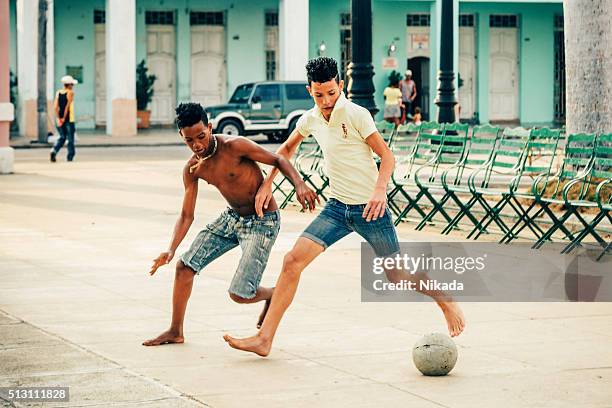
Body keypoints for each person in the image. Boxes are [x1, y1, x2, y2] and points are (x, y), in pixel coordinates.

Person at [223, 57, 465, 357]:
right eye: (319, 94)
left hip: (370, 210)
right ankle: (264, 339)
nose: (326, 101)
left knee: (397, 275)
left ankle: (443, 299)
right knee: (292, 261)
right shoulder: (310, 118)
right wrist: (268, 182)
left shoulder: (356, 114)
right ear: (309, 89)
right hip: (337, 209)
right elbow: (285, 149)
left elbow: (388, 157)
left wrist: (379, 191)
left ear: (341, 85)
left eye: (331, 93)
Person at [142, 102, 318, 347]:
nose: (197, 145)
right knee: (184, 267)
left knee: (240, 294)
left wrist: (299, 184)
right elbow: (186, 215)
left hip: (262, 221)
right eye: (189, 140)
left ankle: (272, 294)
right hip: (231, 218)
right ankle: (175, 330)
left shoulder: (235, 146)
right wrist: (171, 249)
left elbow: (278, 159)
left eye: (201, 136)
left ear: (210, 127)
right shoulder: (193, 168)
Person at [50, 75, 78, 162]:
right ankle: (70, 157)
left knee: (62, 137)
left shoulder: (58, 92)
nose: (72, 86)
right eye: (72, 85)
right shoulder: (70, 93)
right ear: (69, 85)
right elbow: (67, 107)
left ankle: (54, 150)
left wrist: (59, 118)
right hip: (69, 119)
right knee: (70, 139)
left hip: (60, 119)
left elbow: (55, 107)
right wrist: (64, 118)